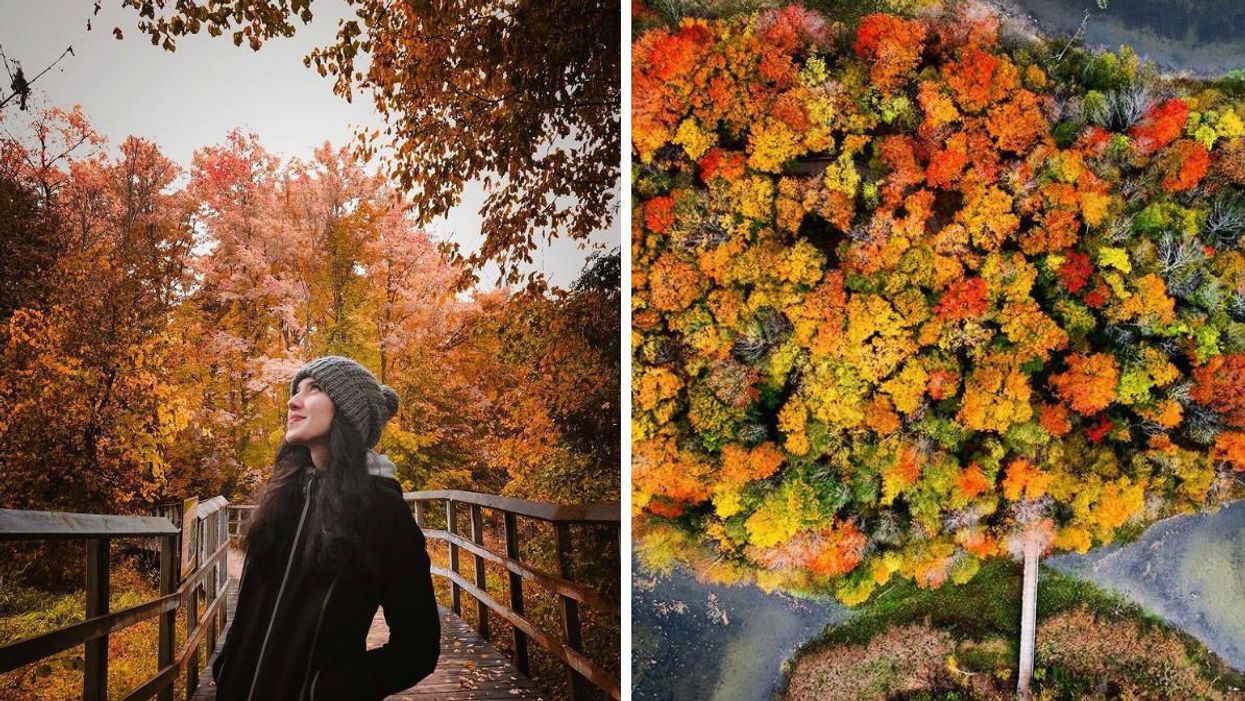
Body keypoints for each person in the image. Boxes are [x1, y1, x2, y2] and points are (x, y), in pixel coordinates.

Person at [210, 355, 441, 700]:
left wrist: (327, 690)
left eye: (314, 388)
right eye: (296, 390)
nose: (293, 400)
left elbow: (418, 647)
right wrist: (226, 666)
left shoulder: (381, 512)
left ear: (349, 413)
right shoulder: (281, 497)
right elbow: (248, 606)